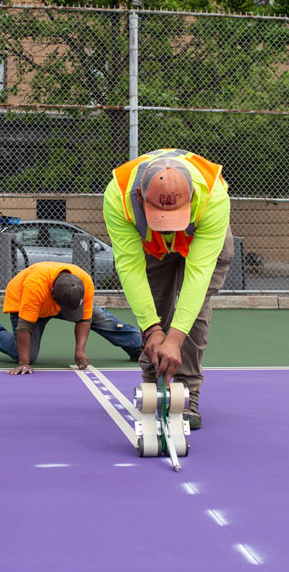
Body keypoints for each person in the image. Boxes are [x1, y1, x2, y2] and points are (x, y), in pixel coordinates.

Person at [102, 149, 233, 430]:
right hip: (149, 248)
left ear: (191, 198)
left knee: (193, 315)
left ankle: (187, 391)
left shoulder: (213, 197)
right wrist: (152, 328)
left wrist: (175, 337)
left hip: (202, 241)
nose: (168, 227)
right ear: (140, 196)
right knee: (155, 309)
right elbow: (129, 267)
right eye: (160, 216)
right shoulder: (118, 196)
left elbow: (198, 275)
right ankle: (154, 386)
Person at [0, 261, 143, 375]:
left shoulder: (83, 281)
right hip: (24, 301)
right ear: (52, 295)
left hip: (59, 298)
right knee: (26, 355)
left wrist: (80, 349)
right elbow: (24, 326)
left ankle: (138, 345)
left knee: (102, 318)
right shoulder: (35, 287)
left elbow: (85, 319)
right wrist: (23, 363)